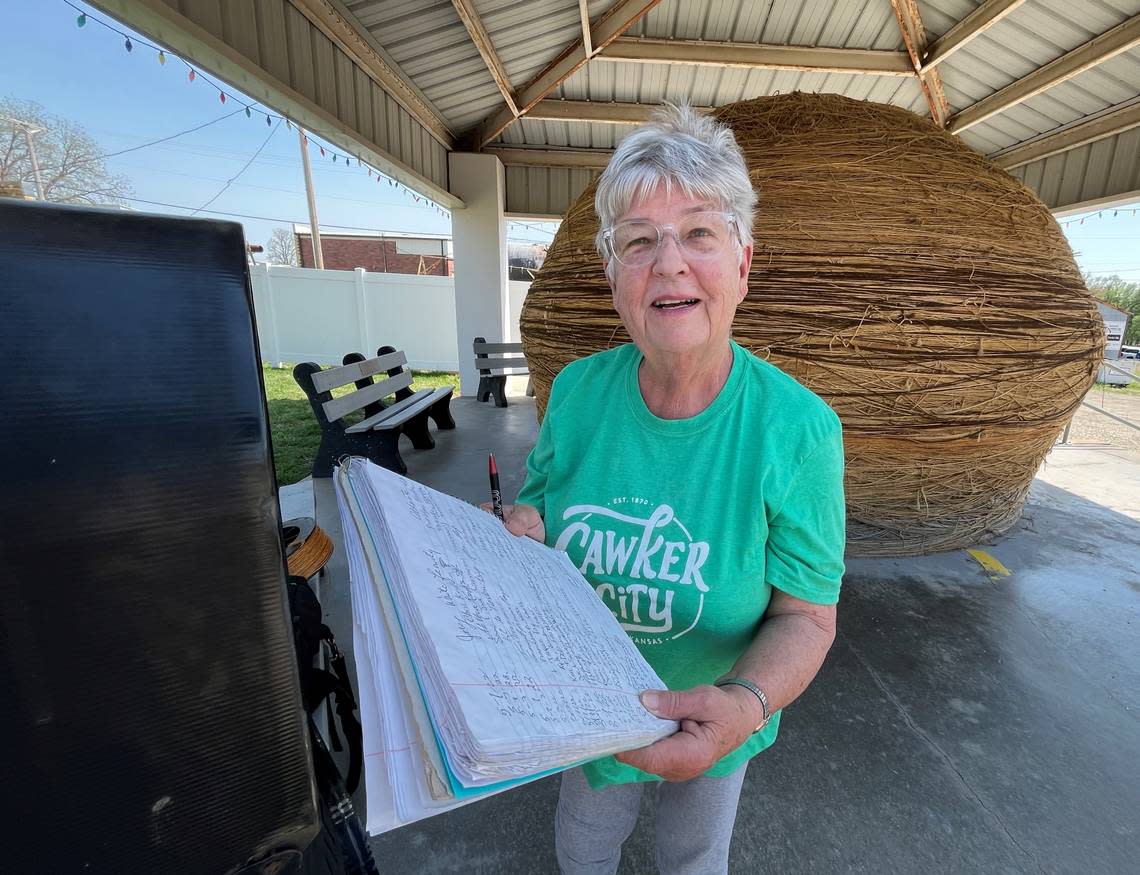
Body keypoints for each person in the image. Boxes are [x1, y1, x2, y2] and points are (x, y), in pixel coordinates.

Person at [500, 104, 846, 874]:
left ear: (743, 262)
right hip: (589, 708)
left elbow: (806, 617)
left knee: (694, 858)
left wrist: (746, 706)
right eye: (638, 241)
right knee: (584, 846)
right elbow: (543, 506)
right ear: (613, 276)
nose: (669, 262)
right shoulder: (581, 391)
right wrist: (523, 530)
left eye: (698, 232)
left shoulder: (799, 431)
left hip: (721, 712)